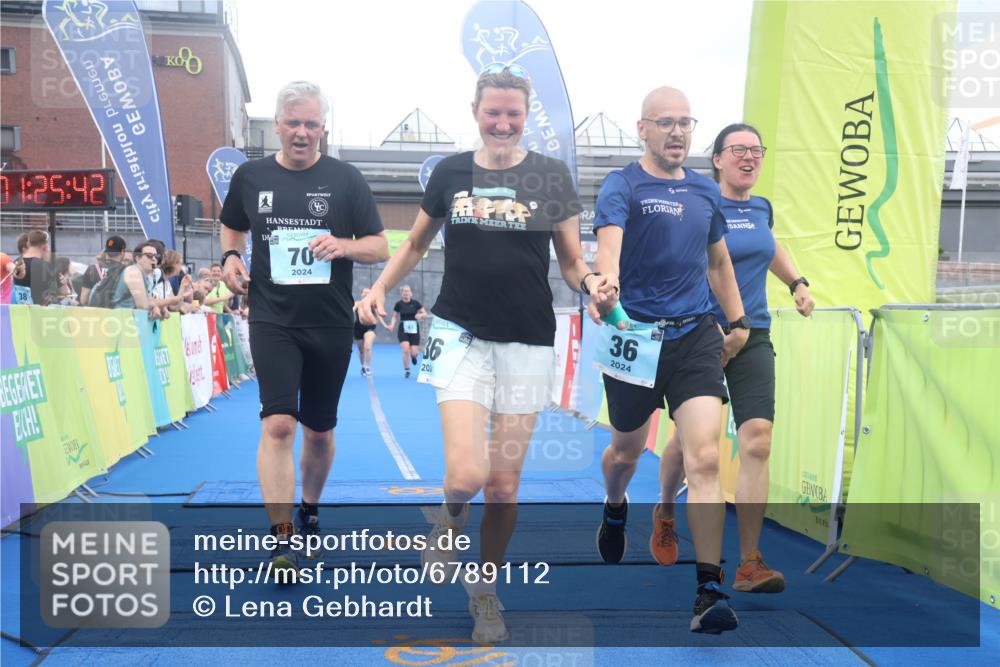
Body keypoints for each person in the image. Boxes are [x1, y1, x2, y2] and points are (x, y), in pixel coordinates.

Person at [358, 63, 613, 644]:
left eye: (513, 114)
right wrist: (375, 288)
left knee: (502, 487)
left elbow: (572, 261)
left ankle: (486, 590)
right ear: (476, 112)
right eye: (493, 112)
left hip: (527, 338)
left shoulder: (551, 177)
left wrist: (592, 283)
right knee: (468, 475)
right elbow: (417, 242)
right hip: (458, 333)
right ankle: (449, 519)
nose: (502, 123)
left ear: (525, 118)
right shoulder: (451, 171)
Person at [591, 87, 749, 635]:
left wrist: (740, 322)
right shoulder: (622, 185)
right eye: (666, 123)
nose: (677, 132)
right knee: (625, 450)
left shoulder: (707, 192)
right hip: (632, 336)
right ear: (642, 128)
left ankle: (709, 591)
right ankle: (615, 505)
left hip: (694, 338)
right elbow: (607, 248)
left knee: (705, 460)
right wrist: (606, 285)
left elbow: (719, 264)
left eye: (686, 122)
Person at [219, 81, 388, 571]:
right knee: (276, 424)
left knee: (317, 431)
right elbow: (232, 225)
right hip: (272, 319)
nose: (301, 133)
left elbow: (379, 245)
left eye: (311, 124)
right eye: (293, 123)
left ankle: (309, 510)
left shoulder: (346, 179)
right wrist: (231, 255)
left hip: (330, 323)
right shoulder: (250, 177)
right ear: (277, 124)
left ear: (323, 128)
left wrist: (343, 244)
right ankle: (282, 536)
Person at [653, 124, 815, 594]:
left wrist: (797, 282)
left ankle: (750, 562)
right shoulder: (699, 201)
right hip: (703, 333)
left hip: (755, 334)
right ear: (718, 159)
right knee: (689, 444)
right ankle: (665, 509)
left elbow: (768, 244)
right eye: (738, 150)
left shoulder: (760, 207)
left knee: (758, 441)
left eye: (756, 150)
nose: (749, 157)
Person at [385, 284, 428, 377]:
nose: (406, 293)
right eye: (404, 291)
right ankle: (407, 369)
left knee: (414, 352)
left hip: (414, 330)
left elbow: (425, 312)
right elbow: (394, 316)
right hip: (403, 329)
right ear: (402, 294)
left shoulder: (416, 303)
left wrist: (420, 315)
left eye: (407, 291)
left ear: (411, 293)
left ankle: (413, 356)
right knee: (405, 350)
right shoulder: (398, 304)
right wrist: (392, 325)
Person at [80, 235, 128, 306]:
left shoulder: (92, 269)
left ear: (106, 252)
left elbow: (84, 300)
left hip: (96, 314)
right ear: (122, 252)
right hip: (117, 315)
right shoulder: (126, 270)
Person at [13, 230, 53, 305]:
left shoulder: (15, 263)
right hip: (39, 312)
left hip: (16, 311)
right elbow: (64, 291)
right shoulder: (46, 266)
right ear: (45, 247)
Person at [352, 287, 379, 377]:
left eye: (368, 293)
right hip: (358, 328)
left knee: (367, 347)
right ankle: (363, 366)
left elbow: (379, 316)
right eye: (364, 293)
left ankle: (368, 367)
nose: (366, 294)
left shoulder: (373, 305)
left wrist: (386, 325)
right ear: (361, 294)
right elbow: (352, 308)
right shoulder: (358, 303)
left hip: (370, 328)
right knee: (361, 350)